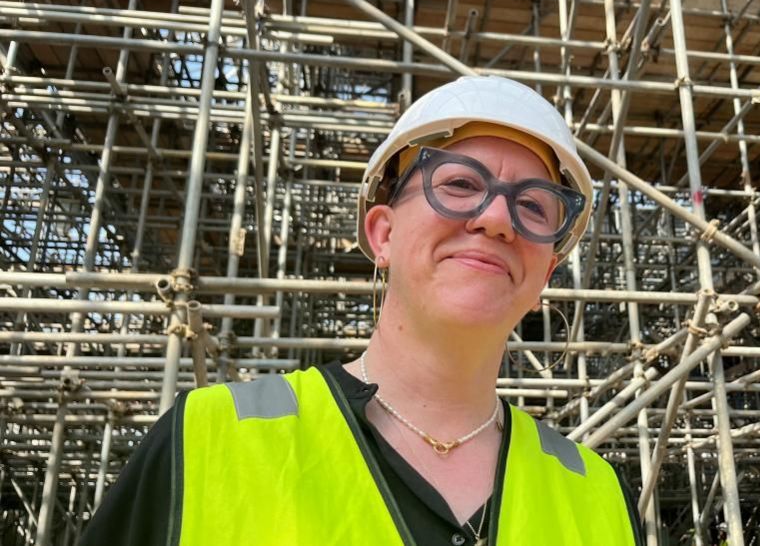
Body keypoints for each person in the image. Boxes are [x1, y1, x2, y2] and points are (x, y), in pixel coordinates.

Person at [81, 76, 643, 545]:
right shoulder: (210, 438)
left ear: (545, 275)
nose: (496, 218)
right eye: (460, 183)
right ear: (383, 234)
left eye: (533, 205)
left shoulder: (599, 497)